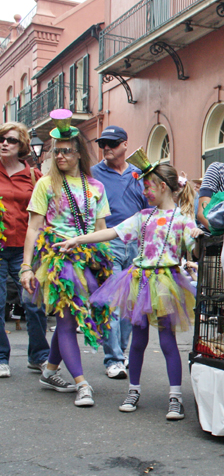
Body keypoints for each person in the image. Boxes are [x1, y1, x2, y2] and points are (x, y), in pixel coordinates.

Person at [56, 164, 202, 420]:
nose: (144, 192)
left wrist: (198, 237)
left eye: (147, 187)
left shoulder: (182, 220)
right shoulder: (142, 216)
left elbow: (196, 250)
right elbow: (112, 232)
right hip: (140, 283)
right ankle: (133, 390)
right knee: (138, 341)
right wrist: (77, 239)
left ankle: (175, 397)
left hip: (166, 284)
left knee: (167, 342)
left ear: (163, 187)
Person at [20, 110, 114, 408]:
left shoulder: (96, 187)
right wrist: (26, 266)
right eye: (55, 152)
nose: (59, 157)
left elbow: (101, 230)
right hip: (57, 261)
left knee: (71, 318)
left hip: (87, 260)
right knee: (66, 319)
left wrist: (105, 267)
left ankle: (49, 371)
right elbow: (33, 228)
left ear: (78, 153)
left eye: (66, 152)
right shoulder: (45, 185)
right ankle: (82, 383)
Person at [91, 124, 148, 379]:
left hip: (136, 242)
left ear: (125, 145)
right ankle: (113, 359)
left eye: (112, 144)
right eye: (103, 144)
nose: (106, 149)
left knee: (129, 304)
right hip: (109, 240)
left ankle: (120, 354)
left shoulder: (139, 174)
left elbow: (149, 207)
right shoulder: (93, 174)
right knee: (113, 302)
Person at [0, 122, 49, 378]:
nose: (4, 143)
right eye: (1, 139)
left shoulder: (34, 176)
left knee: (33, 303)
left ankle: (39, 355)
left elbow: (44, 212)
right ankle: (0, 357)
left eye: (10, 140)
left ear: (22, 146)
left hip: (25, 250)